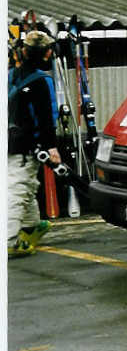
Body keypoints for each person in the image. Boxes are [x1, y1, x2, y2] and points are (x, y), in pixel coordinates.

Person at [8, 30, 61, 257]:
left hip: (11, 141)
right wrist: (52, 148)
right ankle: (9, 240)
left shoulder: (10, 75)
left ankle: (29, 227)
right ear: (47, 53)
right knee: (17, 190)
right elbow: (46, 117)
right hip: (25, 146)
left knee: (28, 184)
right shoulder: (42, 80)